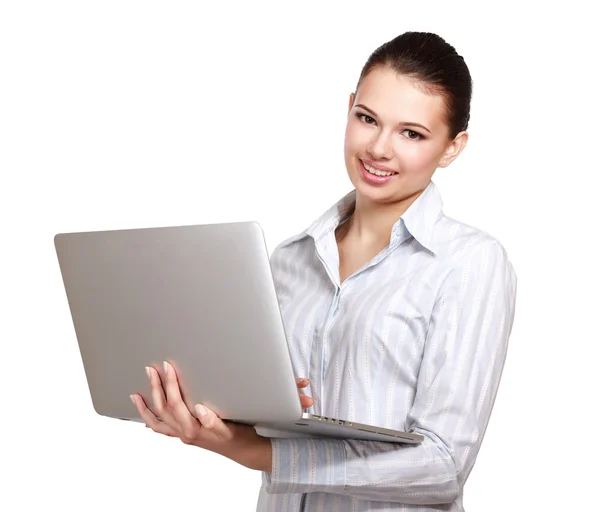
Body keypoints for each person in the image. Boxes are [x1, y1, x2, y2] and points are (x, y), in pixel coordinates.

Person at [130, 31, 518, 511]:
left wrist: (258, 453)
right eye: (367, 119)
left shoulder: (469, 264)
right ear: (350, 106)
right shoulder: (289, 260)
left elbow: (442, 466)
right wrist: (215, 413)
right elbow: (277, 419)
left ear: (452, 147)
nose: (379, 148)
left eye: (411, 133)